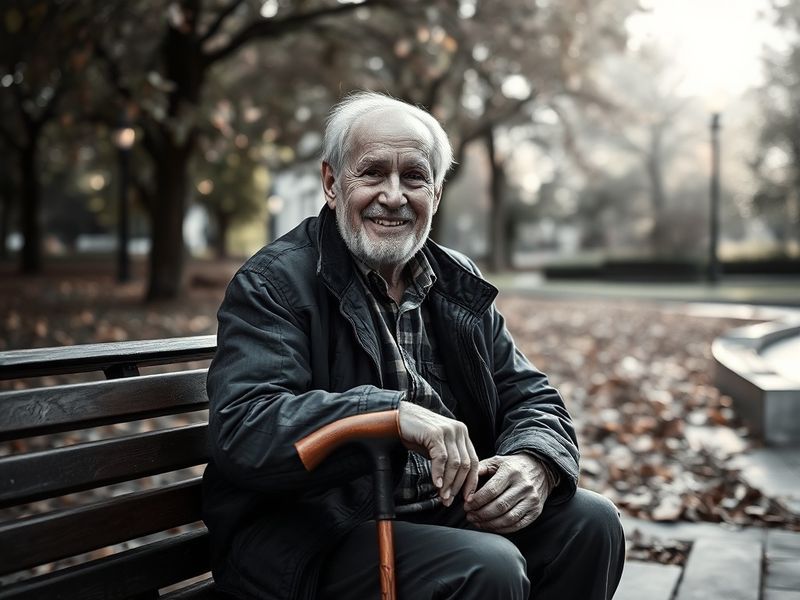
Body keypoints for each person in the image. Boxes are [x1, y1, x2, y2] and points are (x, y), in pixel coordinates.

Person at [203, 91, 625, 600]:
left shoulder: (455, 279)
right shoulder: (274, 283)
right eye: (373, 173)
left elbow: (532, 397)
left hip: (440, 513)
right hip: (315, 532)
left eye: (414, 178)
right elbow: (246, 429)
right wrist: (390, 416)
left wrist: (532, 462)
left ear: (437, 194)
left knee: (592, 522)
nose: (394, 196)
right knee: (488, 566)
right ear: (333, 183)